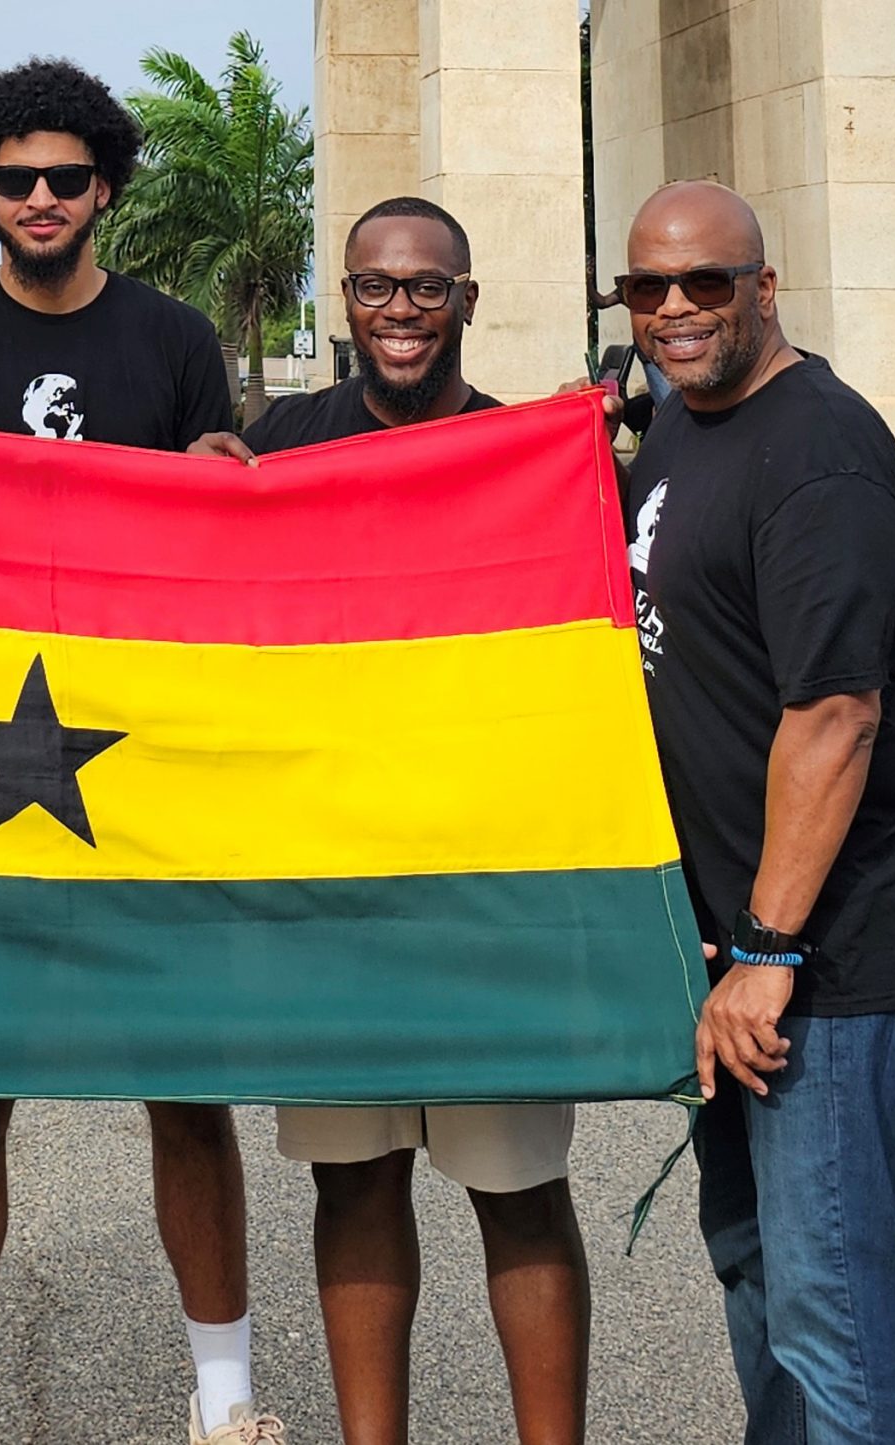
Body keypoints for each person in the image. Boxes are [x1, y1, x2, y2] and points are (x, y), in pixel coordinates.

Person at [0, 59, 273, 1445]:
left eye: (69, 178)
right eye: (15, 178)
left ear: (108, 187)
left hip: (143, 761)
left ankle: (226, 1402)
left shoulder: (171, 342)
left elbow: (218, 557)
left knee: (186, 1090)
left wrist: (224, 488)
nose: (42, 200)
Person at [191, 196, 592, 1445]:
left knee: (517, 1187)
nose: (400, 311)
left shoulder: (526, 451)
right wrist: (204, 492)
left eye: (427, 288)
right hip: (332, 884)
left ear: (467, 299)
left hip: (485, 882)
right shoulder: (285, 442)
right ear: (343, 301)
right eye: (375, 287)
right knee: (353, 1183)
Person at [617, 180, 895, 1445]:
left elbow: (835, 718)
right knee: (758, 1263)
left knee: (832, 1306)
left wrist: (765, 952)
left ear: (765, 286)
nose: (673, 308)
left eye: (704, 282)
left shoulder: (816, 453)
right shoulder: (684, 426)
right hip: (731, 957)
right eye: (645, 287)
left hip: (824, 959)